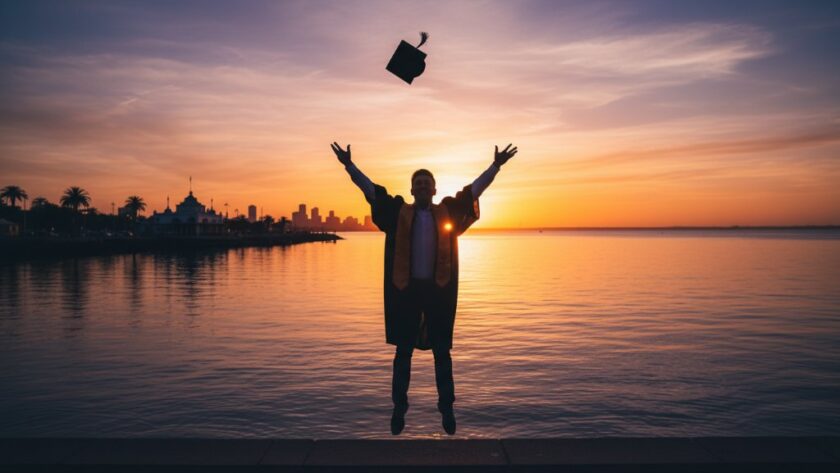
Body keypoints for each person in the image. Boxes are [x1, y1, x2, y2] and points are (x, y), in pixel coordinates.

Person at [331, 142, 518, 435]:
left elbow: (474, 191)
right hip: (405, 292)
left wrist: (496, 166)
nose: (421, 187)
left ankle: (447, 408)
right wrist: (349, 166)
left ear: (433, 189)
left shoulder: (447, 212)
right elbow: (370, 191)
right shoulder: (398, 213)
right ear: (411, 190)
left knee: (442, 353)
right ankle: (399, 407)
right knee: (402, 353)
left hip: (438, 292)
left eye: (426, 183)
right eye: (417, 183)